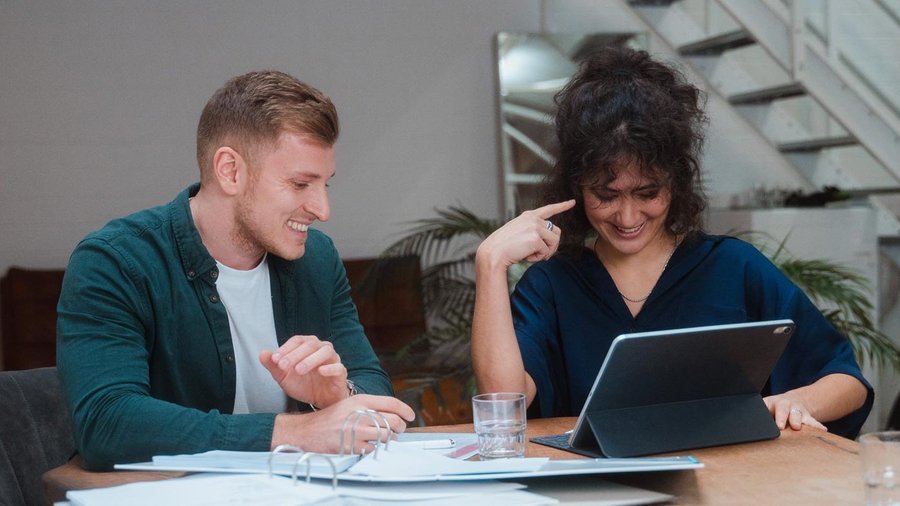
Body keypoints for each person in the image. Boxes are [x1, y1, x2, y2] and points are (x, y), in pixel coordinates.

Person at [471, 46, 873, 438]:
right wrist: (490, 263)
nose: (628, 218)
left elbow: (847, 382)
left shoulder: (734, 268)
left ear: (676, 182)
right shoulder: (553, 285)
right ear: (576, 186)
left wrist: (799, 400)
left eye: (647, 193)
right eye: (606, 196)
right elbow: (505, 404)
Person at [56, 70, 415, 471]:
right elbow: (107, 424)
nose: (323, 210)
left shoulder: (317, 259)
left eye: (325, 185)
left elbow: (372, 386)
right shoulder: (115, 263)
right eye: (300, 184)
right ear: (230, 171)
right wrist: (294, 432)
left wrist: (335, 396)